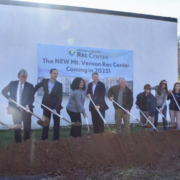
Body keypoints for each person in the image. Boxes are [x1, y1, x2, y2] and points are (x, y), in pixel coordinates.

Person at [2, 69, 34, 143]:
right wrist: (8, 97)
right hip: (16, 110)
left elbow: (31, 97)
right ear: (19, 76)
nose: (25, 78)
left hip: (26, 110)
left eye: (26, 77)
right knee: (17, 128)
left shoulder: (30, 86)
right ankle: (18, 145)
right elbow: (3, 91)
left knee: (27, 129)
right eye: (23, 77)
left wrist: (28, 105)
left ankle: (26, 144)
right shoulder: (13, 84)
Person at [34, 69, 63, 140]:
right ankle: (44, 139)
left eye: (57, 73)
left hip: (56, 106)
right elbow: (37, 86)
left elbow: (60, 98)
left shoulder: (59, 85)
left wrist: (55, 108)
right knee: (45, 122)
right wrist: (32, 94)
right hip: (46, 105)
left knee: (56, 124)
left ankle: (56, 140)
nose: (56, 75)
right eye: (54, 73)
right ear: (50, 74)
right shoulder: (45, 81)